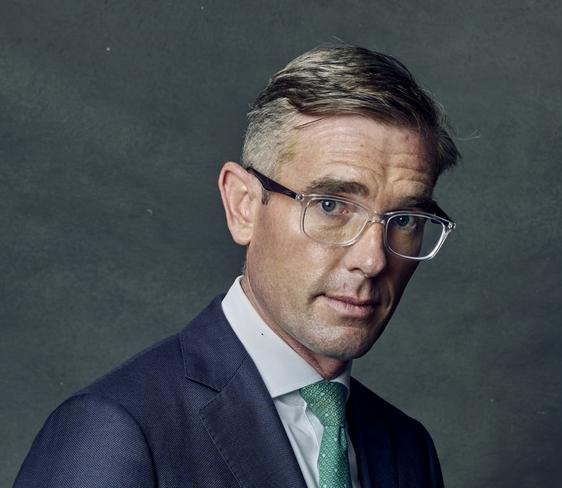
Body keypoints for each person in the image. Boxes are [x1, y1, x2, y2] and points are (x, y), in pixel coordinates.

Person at [14, 45, 460, 488]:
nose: (373, 259)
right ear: (243, 205)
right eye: (330, 205)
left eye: (403, 220)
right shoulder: (114, 431)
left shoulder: (407, 448)